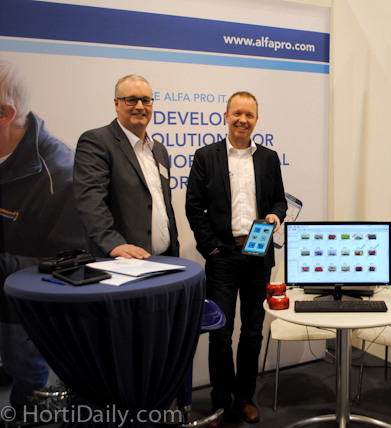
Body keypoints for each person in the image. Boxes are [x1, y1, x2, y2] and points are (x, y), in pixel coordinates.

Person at [185, 91, 286, 425]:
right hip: (223, 257)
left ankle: (245, 397)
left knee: (253, 332)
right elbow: (193, 206)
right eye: (237, 113)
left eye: (249, 115)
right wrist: (211, 249)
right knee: (220, 333)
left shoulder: (268, 158)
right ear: (226, 116)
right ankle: (220, 401)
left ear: (256, 120)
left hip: (258, 256)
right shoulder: (206, 156)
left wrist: (275, 215)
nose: (243, 120)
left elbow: (279, 200)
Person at [0, 57, 85, 413]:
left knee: (28, 393)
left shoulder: (60, 174)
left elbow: (73, 264)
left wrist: (5, 265)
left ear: (5, 113)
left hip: (23, 315)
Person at [73, 75, 179, 259]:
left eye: (146, 100)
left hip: (164, 260)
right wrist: (113, 244)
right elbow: (91, 201)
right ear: (117, 104)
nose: (140, 107)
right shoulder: (97, 142)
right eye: (131, 100)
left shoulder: (159, 150)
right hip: (122, 262)